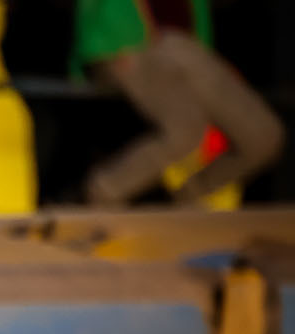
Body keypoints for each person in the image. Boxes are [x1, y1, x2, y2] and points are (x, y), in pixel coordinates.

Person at [77, 0, 282, 208]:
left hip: (189, 49)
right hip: (137, 49)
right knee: (185, 132)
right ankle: (106, 190)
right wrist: (109, 48)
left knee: (265, 135)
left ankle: (193, 191)